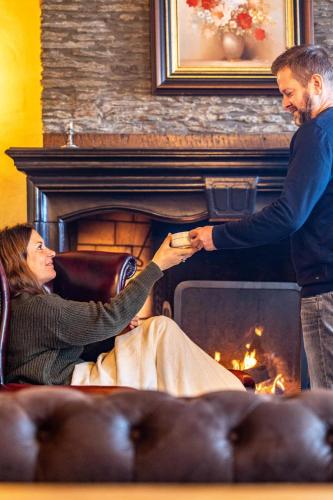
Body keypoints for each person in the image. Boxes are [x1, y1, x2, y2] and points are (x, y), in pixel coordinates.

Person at [190, 44, 333, 390]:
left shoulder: (317, 134)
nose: (285, 103)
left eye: (288, 93)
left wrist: (216, 236)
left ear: (315, 83)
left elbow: (288, 215)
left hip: (326, 291)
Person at [0, 223, 245, 396]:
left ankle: (221, 404)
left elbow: (78, 343)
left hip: (75, 376)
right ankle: (234, 402)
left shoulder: (26, 305)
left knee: (156, 331)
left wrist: (117, 332)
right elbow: (108, 317)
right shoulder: (37, 307)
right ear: (18, 261)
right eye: (40, 247)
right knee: (160, 329)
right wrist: (157, 264)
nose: (51, 252)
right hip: (72, 385)